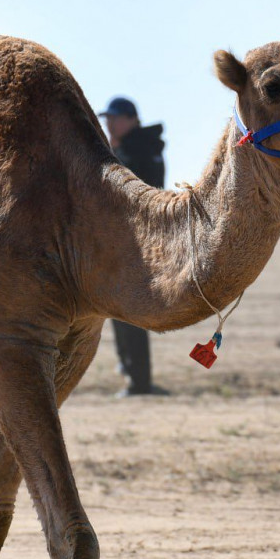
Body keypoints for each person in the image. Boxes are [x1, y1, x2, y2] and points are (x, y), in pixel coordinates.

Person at [99, 96, 167, 397]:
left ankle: (138, 380)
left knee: (128, 311)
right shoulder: (132, 149)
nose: (109, 124)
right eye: (107, 119)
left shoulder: (136, 152)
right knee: (121, 311)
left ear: (130, 119)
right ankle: (132, 374)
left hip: (134, 245)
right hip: (123, 244)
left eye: (114, 118)